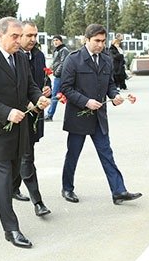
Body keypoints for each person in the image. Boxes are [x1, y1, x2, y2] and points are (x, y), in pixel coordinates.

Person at [0, 17, 50, 249]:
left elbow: (29, 86)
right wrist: (6, 113)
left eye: (19, 36)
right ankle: (11, 229)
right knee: (5, 181)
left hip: (19, 128)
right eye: (14, 36)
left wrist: (38, 98)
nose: (19, 41)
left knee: (14, 175)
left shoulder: (21, 59)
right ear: (0, 35)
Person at [59, 24, 141, 206]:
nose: (100, 45)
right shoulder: (73, 60)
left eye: (103, 41)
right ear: (86, 40)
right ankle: (67, 188)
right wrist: (85, 101)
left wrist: (115, 96)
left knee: (107, 154)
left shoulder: (106, 59)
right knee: (73, 154)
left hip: (99, 118)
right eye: (97, 41)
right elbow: (66, 88)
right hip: (78, 116)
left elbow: (110, 84)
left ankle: (118, 191)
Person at [11, 21, 52, 216]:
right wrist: (29, 102)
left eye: (35, 36)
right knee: (27, 157)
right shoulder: (14, 56)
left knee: (21, 156)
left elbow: (41, 79)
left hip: (36, 112)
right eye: (29, 36)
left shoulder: (38, 55)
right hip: (19, 114)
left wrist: (47, 88)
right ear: (19, 36)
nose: (33, 40)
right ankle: (38, 202)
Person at [45, 35, 69, 121]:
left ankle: (49, 114)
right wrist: (49, 69)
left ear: (61, 41)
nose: (55, 42)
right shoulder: (57, 50)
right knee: (59, 95)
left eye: (57, 40)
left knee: (55, 95)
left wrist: (56, 72)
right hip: (58, 75)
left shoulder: (63, 50)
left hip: (60, 76)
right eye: (53, 40)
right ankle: (49, 114)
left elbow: (63, 63)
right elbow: (55, 63)